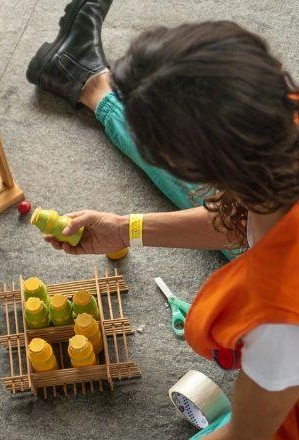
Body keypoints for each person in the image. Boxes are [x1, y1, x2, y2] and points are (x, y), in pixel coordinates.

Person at [26, 1, 299, 438]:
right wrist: (125, 228)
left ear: (202, 168)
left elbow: (246, 436)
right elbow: (242, 221)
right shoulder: (282, 121)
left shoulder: (278, 318)